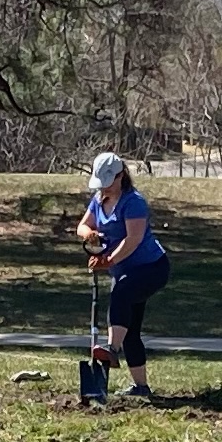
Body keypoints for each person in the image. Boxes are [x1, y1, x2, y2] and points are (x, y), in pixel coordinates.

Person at [80, 150, 169, 406]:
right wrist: (91, 236)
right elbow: (83, 225)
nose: (104, 187)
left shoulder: (134, 202)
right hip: (124, 271)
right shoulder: (99, 199)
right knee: (130, 329)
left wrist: (108, 260)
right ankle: (141, 386)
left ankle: (111, 349)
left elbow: (133, 240)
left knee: (121, 294)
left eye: (108, 181)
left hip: (151, 268)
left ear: (120, 176)